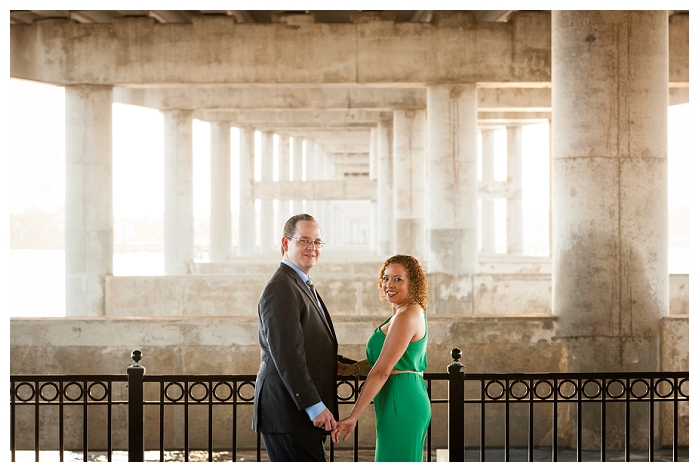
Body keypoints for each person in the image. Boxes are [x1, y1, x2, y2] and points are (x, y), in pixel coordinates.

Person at [252, 214, 347, 461]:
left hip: (297, 416)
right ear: (285, 243)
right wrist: (314, 407)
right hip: (289, 414)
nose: (312, 248)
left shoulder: (300, 283)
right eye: (304, 240)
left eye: (317, 242)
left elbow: (311, 347)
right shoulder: (281, 287)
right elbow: (287, 355)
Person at [332, 254, 431, 462]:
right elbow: (385, 361)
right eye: (386, 278)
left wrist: (353, 416)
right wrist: (348, 369)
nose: (389, 284)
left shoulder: (406, 315)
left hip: (400, 399)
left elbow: (382, 370)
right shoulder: (407, 312)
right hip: (403, 397)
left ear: (413, 283)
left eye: (398, 279)